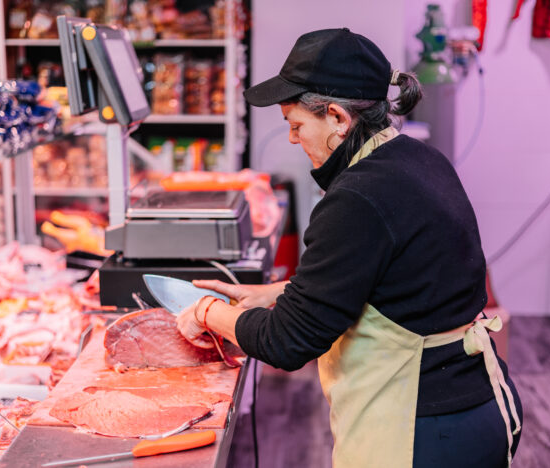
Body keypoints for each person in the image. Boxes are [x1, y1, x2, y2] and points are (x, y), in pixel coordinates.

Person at [176, 28, 522, 468]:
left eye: (296, 125)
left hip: (422, 430)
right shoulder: (417, 159)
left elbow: (287, 342)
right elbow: (393, 281)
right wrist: (280, 292)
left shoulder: (357, 197)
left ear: (338, 118)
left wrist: (205, 310)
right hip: (477, 407)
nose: (292, 140)